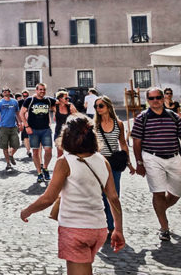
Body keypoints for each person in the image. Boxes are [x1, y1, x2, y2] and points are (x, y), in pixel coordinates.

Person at [21, 116, 125, 273]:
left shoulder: (64, 162)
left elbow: (48, 198)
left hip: (75, 228)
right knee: (85, 267)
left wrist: (27, 211)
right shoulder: (102, 160)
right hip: (98, 229)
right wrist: (118, 229)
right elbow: (113, 198)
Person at [131, 86, 181, 241]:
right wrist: (139, 163)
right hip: (152, 158)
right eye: (151, 98)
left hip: (174, 156)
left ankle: (160, 210)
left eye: (158, 97)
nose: (155, 101)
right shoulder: (142, 118)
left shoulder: (174, 117)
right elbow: (137, 142)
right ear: (148, 101)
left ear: (163, 98)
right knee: (158, 192)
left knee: (177, 192)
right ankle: (164, 227)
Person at [94, 95, 135, 235]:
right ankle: (102, 225)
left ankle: (112, 227)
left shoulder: (119, 124)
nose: (98, 109)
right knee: (98, 196)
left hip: (114, 163)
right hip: (98, 163)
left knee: (114, 196)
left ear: (108, 107)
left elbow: (123, 143)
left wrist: (129, 163)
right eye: (96, 106)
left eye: (101, 106)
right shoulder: (94, 125)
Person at [21, 83, 56, 183]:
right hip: (33, 130)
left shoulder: (48, 100)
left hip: (45, 129)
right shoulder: (30, 100)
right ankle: (39, 173)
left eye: (44, 89)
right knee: (35, 152)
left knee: (48, 150)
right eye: (40, 89)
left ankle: (45, 168)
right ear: (36, 90)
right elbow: (21, 113)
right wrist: (26, 126)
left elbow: (60, 103)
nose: (42, 91)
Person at [0, 88, 24, 170]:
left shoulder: (14, 102)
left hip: (13, 126)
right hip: (3, 127)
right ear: (2, 93)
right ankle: (8, 163)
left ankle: (11, 155)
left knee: (16, 144)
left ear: (9, 93)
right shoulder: (0, 103)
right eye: (3, 92)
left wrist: (20, 123)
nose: (5, 92)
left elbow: (17, 113)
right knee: (5, 146)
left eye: (6, 91)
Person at [54, 90, 77, 159]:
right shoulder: (55, 106)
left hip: (69, 132)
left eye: (68, 98)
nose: (68, 99)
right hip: (59, 131)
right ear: (60, 99)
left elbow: (77, 115)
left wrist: (73, 109)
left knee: (71, 152)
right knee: (60, 153)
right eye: (66, 98)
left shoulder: (70, 106)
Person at [17, 91, 32, 157]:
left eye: (26, 96)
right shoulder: (20, 102)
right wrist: (20, 122)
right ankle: (28, 150)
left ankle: (31, 149)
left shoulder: (31, 101)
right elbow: (17, 112)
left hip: (32, 121)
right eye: (24, 96)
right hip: (24, 121)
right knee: (26, 137)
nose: (25, 97)